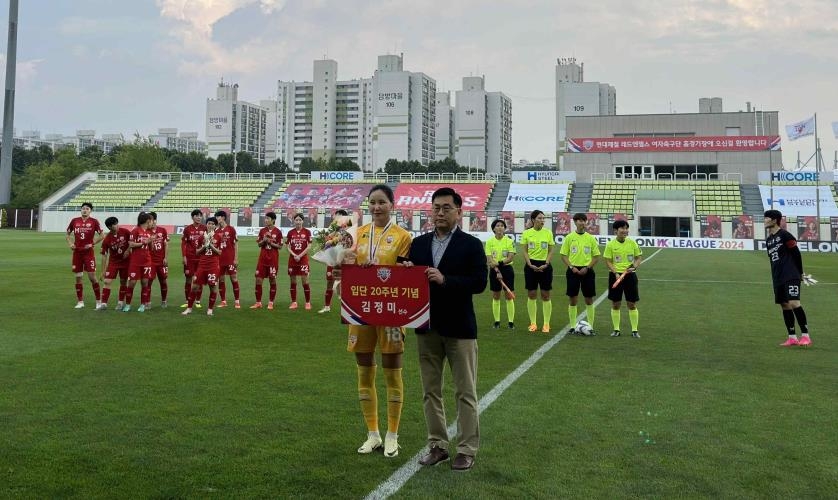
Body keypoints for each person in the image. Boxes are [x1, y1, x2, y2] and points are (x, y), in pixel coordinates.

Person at [406, 187, 487, 471]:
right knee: (430, 390)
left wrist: (445, 280)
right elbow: (403, 278)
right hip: (426, 327)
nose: (440, 213)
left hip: (460, 328)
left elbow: (479, 283)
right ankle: (437, 445)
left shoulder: (471, 245)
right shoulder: (417, 244)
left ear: (459, 212)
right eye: (436, 208)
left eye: (446, 208)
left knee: (465, 391)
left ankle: (466, 449)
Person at [344, 185, 412, 458]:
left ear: (392, 205)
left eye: (382, 202)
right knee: (364, 371)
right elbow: (346, 269)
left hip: (392, 312)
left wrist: (402, 269)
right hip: (360, 311)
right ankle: (372, 433)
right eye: (372, 203)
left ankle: (392, 435)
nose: (376, 207)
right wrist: (346, 265)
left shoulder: (403, 236)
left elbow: (407, 272)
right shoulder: (356, 235)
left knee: (392, 371)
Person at [764, 210, 812, 347]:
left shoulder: (785, 235)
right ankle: (792, 337)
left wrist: (800, 273)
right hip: (777, 276)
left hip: (790, 274)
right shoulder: (769, 240)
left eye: (766, 218)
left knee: (794, 302)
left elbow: (796, 254)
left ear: (774, 220)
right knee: (784, 305)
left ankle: (805, 336)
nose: (764, 220)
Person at [560, 213, 601, 334]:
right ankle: (572, 326)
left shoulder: (590, 238)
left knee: (589, 299)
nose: (582, 223)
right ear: (575, 222)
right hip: (573, 271)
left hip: (587, 271)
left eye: (584, 220)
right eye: (579, 220)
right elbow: (563, 255)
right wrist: (571, 267)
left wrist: (587, 268)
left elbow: (596, 256)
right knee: (573, 299)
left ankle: (590, 327)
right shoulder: (569, 237)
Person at [603, 220, 643, 338]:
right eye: (622, 228)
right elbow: (608, 261)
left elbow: (638, 257)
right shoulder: (610, 245)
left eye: (626, 228)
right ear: (615, 231)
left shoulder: (632, 243)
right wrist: (615, 272)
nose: (625, 231)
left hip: (630, 276)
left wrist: (634, 266)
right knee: (616, 304)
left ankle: (634, 330)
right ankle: (616, 330)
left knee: (631, 304)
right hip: (615, 276)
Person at [521, 210, 555, 333]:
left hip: (545, 266)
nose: (542, 220)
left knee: (546, 295)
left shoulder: (548, 233)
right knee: (532, 294)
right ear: (533, 219)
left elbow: (551, 250)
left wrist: (546, 263)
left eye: (543, 218)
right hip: (531, 266)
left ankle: (546, 324)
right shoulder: (527, 233)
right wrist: (529, 263)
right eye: (540, 218)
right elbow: (524, 250)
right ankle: (533, 323)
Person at [65, 202, 104, 308]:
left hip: (88, 253)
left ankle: (98, 301)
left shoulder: (94, 222)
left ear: (90, 211)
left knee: (92, 277)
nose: (84, 210)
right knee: (78, 277)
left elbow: (102, 235)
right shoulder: (74, 221)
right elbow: (67, 234)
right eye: (83, 208)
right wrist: (71, 244)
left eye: (87, 208)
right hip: (77, 253)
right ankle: (80, 302)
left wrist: (92, 243)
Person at [182, 217, 223, 316]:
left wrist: (211, 245)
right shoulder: (201, 237)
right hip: (202, 265)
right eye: (209, 223)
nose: (210, 225)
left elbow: (219, 252)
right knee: (195, 286)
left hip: (213, 266)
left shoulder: (218, 236)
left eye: (213, 224)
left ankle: (210, 309)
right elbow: (197, 252)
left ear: (215, 226)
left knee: (213, 287)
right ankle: (189, 308)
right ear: (206, 224)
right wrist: (204, 245)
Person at [484, 218, 516, 329]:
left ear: (504, 228)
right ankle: (497, 322)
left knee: (509, 296)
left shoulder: (510, 241)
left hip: (507, 270)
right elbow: (489, 259)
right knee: (496, 295)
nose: (500, 227)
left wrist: (499, 264)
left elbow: (510, 257)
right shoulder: (489, 242)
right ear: (493, 228)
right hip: (494, 271)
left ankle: (511, 322)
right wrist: (497, 271)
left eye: (502, 226)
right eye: (497, 225)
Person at [123, 212, 156, 313]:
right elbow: (131, 244)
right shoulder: (136, 230)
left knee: (145, 283)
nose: (152, 223)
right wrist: (144, 242)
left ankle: (142, 304)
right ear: (147, 221)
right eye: (151, 221)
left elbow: (152, 249)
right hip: (135, 261)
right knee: (132, 282)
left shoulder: (150, 232)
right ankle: (128, 304)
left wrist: (151, 241)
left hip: (146, 261)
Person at [97, 216, 132, 310]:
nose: (116, 226)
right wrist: (103, 271)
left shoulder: (125, 232)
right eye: (114, 225)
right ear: (109, 227)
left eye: (117, 223)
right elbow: (104, 255)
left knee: (123, 282)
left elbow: (132, 242)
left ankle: (120, 303)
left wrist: (128, 250)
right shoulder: (107, 239)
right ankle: (104, 304)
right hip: (114, 262)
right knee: (107, 281)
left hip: (126, 261)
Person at [319, 209, 349, 314]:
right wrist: (325, 242)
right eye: (336, 216)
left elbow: (347, 243)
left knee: (348, 283)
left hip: (344, 260)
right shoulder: (332, 229)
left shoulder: (348, 230)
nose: (336, 218)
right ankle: (327, 307)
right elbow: (325, 241)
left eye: (339, 216)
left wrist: (332, 241)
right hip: (332, 259)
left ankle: (349, 308)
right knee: (329, 282)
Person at [251, 211, 282, 310]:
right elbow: (259, 244)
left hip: (273, 260)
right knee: (258, 280)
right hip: (262, 259)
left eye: (268, 218)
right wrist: (264, 240)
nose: (266, 220)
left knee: (272, 280)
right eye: (265, 218)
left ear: (273, 220)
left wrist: (270, 243)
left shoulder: (278, 232)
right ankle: (258, 302)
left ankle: (271, 302)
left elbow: (280, 246)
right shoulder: (262, 231)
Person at [285, 213, 313, 310]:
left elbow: (309, 246)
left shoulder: (307, 232)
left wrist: (300, 255)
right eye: (296, 220)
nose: (298, 222)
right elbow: (287, 246)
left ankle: (308, 302)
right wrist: (294, 255)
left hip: (303, 260)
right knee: (293, 281)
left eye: (299, 220)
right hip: (293, 259)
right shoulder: (290, 233)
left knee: (305, 281)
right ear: (294, 221)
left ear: (302, 221)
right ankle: (294, 302)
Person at [214, 210, 241, 309]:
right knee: (221, 280)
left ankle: (237, 301)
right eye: (216, 217)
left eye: (218, 217)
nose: (217, 219)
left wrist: (236, 258)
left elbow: (235, 244)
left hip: (230, 259)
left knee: (234, 279)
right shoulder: (216, 231)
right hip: (219, 260)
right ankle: (223, 301)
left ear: (223, 218)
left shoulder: (231, 229)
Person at [181, 209, 206, 308]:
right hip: (190, 258)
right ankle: (188, 301)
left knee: (199, 279)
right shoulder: (187, 229)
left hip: (201, 258)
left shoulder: (205, 228)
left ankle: (198, 301)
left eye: (200, 216)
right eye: (197, 215)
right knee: (188, 279)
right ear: (192, 217)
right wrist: (184, 256)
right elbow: (184, 243)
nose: (199, 217)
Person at [148, 212, 169, 308]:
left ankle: (164, 301)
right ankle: (147, 302)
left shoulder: (162, 230)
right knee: (148, 281)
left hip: (161, 261)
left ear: (155, 220)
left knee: (163, 281)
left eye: (151, 220)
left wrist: (165, 257)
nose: (149, 222)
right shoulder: (146, 231)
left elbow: (166, 244)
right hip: (150, 261)